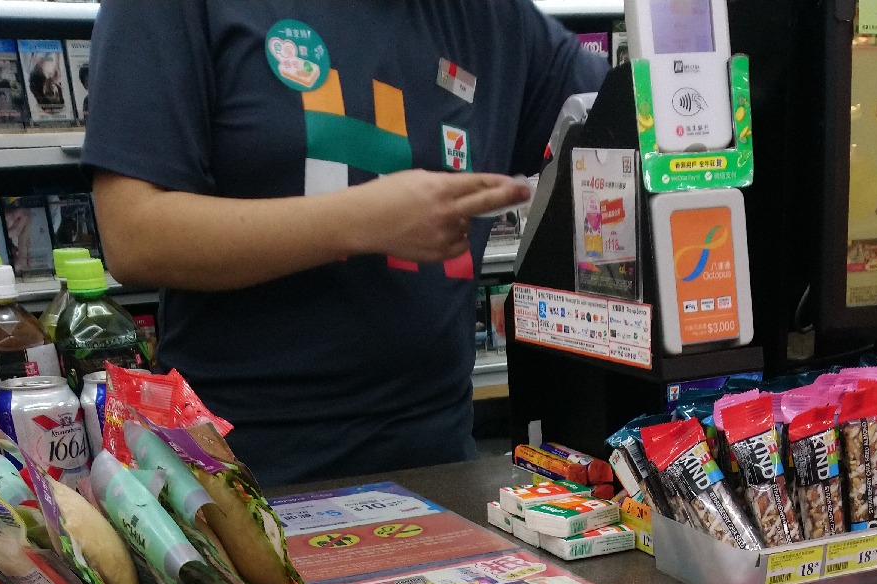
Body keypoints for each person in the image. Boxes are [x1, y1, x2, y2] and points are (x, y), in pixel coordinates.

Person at [82, 2, 605, 487]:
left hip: (440, 470)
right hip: (242, 473)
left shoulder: (491, 17)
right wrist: (361, 220)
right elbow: (133, 235)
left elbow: (633, 113)